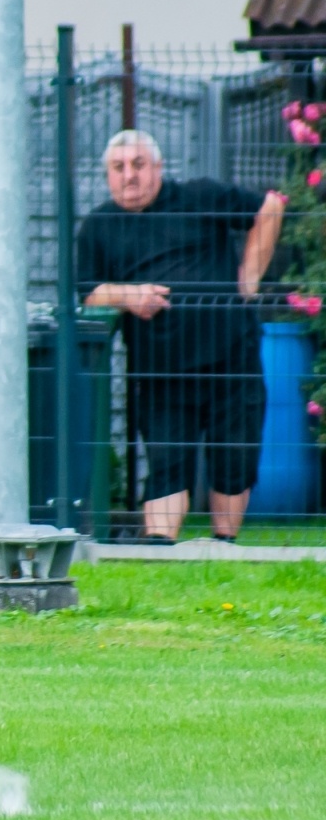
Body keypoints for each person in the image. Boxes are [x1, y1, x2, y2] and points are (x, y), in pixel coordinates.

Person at [77, 129, 286, 543]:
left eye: (139, 165)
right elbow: (86, 291)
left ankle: (224, 544)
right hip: (160, 370)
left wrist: (249, 278)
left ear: (158, 168)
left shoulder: (199, 196)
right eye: (119, 168)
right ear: (107, 176)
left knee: (235, 457)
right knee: (168, 462)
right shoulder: (99, 226)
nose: (130, 176)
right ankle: (160, 546)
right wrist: (129, 295)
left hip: (231, 359)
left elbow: (271, 206)